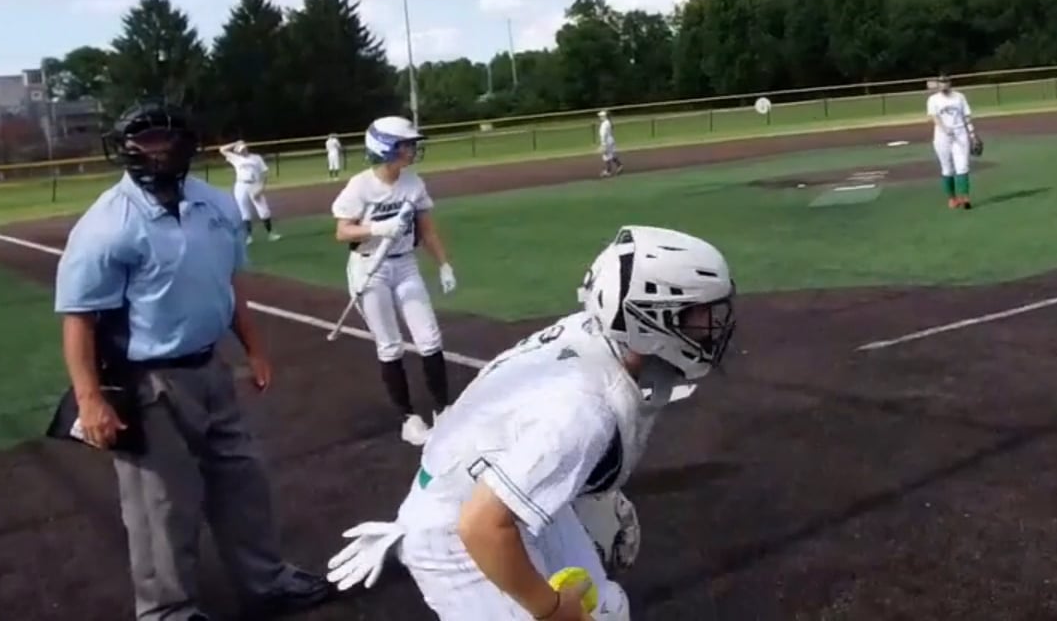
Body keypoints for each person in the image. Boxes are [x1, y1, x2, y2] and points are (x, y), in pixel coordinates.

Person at [323, 226, 738, 621]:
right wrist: (552, 609)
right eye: (698, 315)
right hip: (458, 533)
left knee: (606, 609)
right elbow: (481, 527)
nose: (711, 328)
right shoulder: (586, 408)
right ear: (649, 320)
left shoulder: (587, 331)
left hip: (480, 488)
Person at [53, 100, 335, 621]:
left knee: (243, 481)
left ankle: (266, 582)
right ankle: (168, 611)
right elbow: (79, 319)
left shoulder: (217, 205)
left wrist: (254, 348)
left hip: (210, 368)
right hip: (146, 382)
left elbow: (229, 284)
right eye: (144, 141)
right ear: (124, 148)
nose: (156, 151)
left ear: (186, 143)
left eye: (165, 139)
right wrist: (90, 399)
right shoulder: (106, 224)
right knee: (161, 504)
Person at [331, 115, 460, 446]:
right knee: (389, 345)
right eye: (406, 144)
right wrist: (377, 228)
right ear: (385, 147)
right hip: (369, 268)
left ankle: (444, 410)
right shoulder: (360, 186)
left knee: (429, 338)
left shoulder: (413, 184)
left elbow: (427, 229)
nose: (412, 150)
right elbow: (342, 231)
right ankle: (408, 418)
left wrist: (444, 265)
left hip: (405, 265)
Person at [926, 74, 978, 210]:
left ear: (950, 83)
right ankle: (952, 198)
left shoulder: (959, 97)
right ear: (938, 84)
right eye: (941, 82)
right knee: (947, 168)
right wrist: (945, 128)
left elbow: (966, 116)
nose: (943, 84)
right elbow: (934, 117)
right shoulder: (933, 99)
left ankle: (965, 197)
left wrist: (972, 134)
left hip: (960, 133)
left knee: (963, 166)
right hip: (942, 136)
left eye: (945, 82)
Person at [218, 139, 279, 244]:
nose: (244, 151)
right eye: (241, 150)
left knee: (263, 210)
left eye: (244, 148)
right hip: (241, 185)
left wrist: (261, 187)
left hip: (255, 184)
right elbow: (222, 149)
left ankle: (271, 233)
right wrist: (235, 143)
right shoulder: (235, 158)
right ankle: (248, 236)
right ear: (238, 151)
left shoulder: (256, 158)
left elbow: (264, 173)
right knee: (244, 211)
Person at [596, 110, 623, 178]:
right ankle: (619, 165)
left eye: (601, 116)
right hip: (611, 140)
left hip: (606, 141)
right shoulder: (608, 122)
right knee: (612, 154)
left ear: (604, 116)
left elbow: (603, 135)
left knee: (606, 156)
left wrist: (603, 144)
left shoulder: (604, 124)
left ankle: (608, 171)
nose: (600, 117)